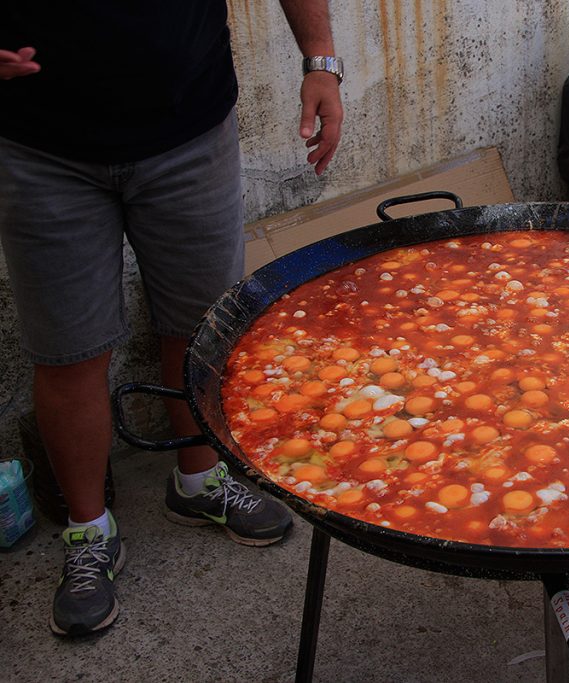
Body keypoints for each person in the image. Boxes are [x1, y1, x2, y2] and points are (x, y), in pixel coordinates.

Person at [0, 1, 343, 636]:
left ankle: (199, 482)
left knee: (203, 328)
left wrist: (321, 63)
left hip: (191, 129)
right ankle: (89, 533)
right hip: (42, 147)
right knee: (69, 353)